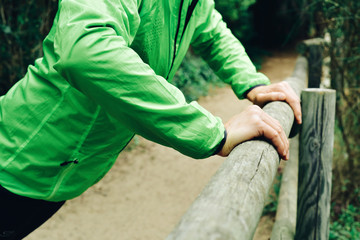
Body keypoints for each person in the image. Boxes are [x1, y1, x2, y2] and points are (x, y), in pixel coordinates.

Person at [0, 0, 301, 239]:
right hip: (15, 159)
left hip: (58, 175)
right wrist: (212, 131)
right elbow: (84, 48)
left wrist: (252, 82)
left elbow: (212, 31)